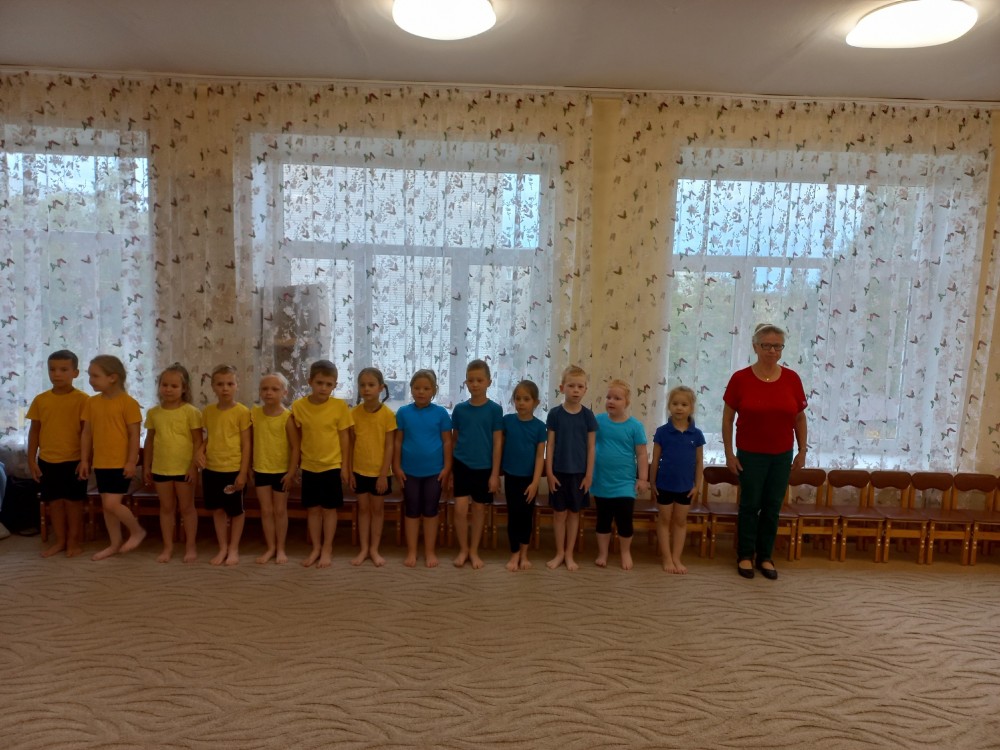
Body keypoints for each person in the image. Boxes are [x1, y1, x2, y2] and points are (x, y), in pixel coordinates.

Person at [722, 323, 808, 580]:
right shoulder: (740, 379)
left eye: (777, 346)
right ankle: (745, 555)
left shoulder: (792, 379)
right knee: (750, 505)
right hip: (750, 454)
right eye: (767, 345)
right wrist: (729, 453)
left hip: (781, 455)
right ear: (755, 347)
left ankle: (765, 556)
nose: (772, 351)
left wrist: (802, 450)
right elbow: (727, 419)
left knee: (772, 507)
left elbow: (799, 418)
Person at [78, 354, 146, 561]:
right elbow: (86, 433)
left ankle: (137, 531)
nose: (91, 380)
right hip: (101, 463)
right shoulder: (91, 403)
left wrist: (131, 461)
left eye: (95, 376)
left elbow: (134, 435)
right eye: (89, 375)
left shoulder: (128, 403)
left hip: (120, 463)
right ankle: (115, 543)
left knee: (111, 504)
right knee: (107, 506)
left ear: (113, 377)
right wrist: (84, 460)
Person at [288, 359, 352, 569]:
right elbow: (296, 438)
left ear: (334, 385)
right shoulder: (299, 407)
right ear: (310, 382)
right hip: (309, 467)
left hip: (332, 466)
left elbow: (344, 438)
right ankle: (316, 547)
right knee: (313, 510)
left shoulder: (339, 406)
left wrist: (345, 467)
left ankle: (327, 548)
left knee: (329, 510)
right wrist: (295, 466)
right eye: (319, 383)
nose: (324, 388)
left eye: (329, 384)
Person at [26, 349, 90, 558]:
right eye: (52, 369)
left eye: (63, 369)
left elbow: (87, 433)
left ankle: (73, 541)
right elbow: (34, 431)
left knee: (73, 503)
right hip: (48, 460)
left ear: (75, 373)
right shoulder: (41, 400)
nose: (57, 374)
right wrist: (31, 460)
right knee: (54, 502)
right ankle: (60, 540)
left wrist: (85, 460)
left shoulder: (83, 400)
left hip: (74, 461)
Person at [142, 363, 203, 563]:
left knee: (187, 508)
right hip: (161, 468)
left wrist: (194, 467)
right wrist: (147, 466)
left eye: (174, 386)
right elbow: (149, 441)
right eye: (164, 385)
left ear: (184, 389)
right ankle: (167, 547)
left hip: (185, 470)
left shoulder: (191, 412)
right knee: (166, 508)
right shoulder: (154, 413)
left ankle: (190, 546)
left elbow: (198, 442)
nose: (168, 389)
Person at [394, 369, 452, 569]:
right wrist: (396, 466)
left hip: (434, 472)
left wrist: (447, 467)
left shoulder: (441, 413)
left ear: (434, 391)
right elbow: (397, 441)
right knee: (411, 510)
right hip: (408, 471)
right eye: (417, 388)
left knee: (430, 510)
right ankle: (412, 551)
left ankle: (429, 551)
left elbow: (447, 442)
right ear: (411, 389)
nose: (421, 392)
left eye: (426, 388)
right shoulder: (403, 412)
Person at [591, 379, 649, 571]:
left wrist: (643, 479)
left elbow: (642, 454)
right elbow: (589, 446)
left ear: (627, 402)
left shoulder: (635, 426)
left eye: (617, 398)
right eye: (608, 397)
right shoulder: (598, 421)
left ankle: (625, 552)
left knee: (624, 520)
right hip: (601, 481)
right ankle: (603, 553)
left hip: (625, 483)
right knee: (603, 520)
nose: (611, 401)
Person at [450, 359, 503, 569]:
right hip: (462, 465)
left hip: (484, 468)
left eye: (479, 380)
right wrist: (451, 471)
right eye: (471, 380)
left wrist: (495, 474)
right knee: (460, 510)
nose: (475, 384)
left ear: (489, 382)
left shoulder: (495, 410)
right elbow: (454, 440)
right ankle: (463, 549)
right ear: (466, 382)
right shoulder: (460, 410)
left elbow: (497, 443)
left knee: (479, 509)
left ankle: (473, 550)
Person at [197, 364, 251, 566]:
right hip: (212, 470)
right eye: (220, 384)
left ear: (237, 386)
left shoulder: (242, 412)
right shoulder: (208, 411)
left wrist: (243, 473)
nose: (225, 388)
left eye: (230, 384)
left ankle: (234, 548)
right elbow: (211, 437)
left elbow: (247, 444)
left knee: (236, 511)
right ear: (213, 387)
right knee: (218, 510)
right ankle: (222, 548)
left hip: (234, 469)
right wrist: (200, 450)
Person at [545, 364, 597, 571]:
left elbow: (591, 448)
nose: (576, 390)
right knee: (559, 514)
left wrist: (589, 475)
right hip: (558, 473)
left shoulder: (588, 416)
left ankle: (569, 553)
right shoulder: (555, 414)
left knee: (574, 514)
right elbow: (550, 445)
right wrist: (549, 473)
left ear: (585, 390)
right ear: (562, 388)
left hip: (579, 475)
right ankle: (559, 552)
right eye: (571, 386)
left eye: (580, 386)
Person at [650, 385, 705, 574]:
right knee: (664, 520)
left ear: (691, 408)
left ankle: (676, 557)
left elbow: (699, 462)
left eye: (684, 404)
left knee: (680, 521)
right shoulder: (662, 432)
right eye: (675, 404)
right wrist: (652, 482)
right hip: (664, 485)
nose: (679, 408)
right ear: (669, 406)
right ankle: (666, 558)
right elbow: (655, 459)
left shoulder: (696, 434)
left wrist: (697, 485)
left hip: (685, 487)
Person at [348, 367, 396, 567]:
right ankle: (364, 549)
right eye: (362, 385)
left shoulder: (388, 414)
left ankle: (374, 549)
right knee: (363, 509)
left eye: (371, 385)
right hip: (359, 470)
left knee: (377, 510)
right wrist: (350, 471)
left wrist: (383, 475)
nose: (366, 389)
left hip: (380, 473)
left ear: (381, 388)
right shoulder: (353, 414)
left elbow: (390, 446)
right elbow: (351, 444)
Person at [500, 379, 546, 572]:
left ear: (536, 402)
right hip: (511, 476)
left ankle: (524, 554)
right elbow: (499, 446)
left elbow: (539, 456)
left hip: (529, 479)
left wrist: (535, 482)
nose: (521, 403)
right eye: (517, 398)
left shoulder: (539, 426)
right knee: (514, 515)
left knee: (526, 516)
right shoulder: (507, 421)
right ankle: (514, 553)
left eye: (526, 399)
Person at [251, 372, 297, 565]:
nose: (269, 393)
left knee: (279, 510)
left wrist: (291, 472)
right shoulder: (254, 414)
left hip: (281, 472)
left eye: (274, 389)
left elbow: (295, 447)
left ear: (284, 392)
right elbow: (249, 442)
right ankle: (270, 547)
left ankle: (281, 548)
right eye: (265, 389)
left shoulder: (287, 417)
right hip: (261, 470)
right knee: (266, 511)